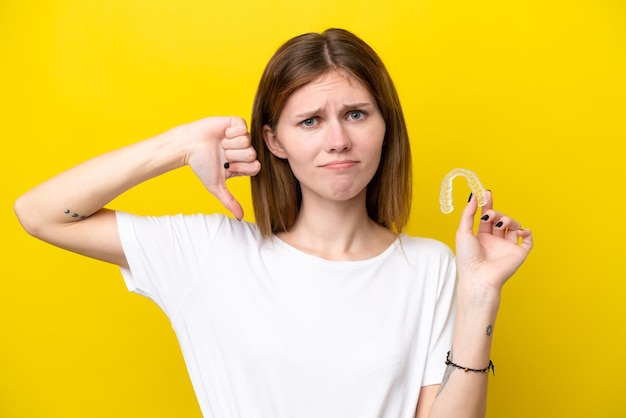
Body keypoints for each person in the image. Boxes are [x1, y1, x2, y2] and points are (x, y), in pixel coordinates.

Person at [14, 28, 533, 418]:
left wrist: (481, 292)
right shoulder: (211, 253)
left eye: (356, 114)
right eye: (310, 121)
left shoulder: (429, 266)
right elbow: (40, 213)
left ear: (384, 126)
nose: (338, 141)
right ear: (274, 141)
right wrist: (180, 145)